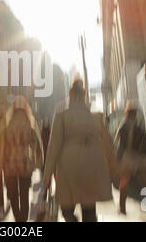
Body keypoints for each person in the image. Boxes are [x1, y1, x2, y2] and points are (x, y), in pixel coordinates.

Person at [43, 80, 121, 222]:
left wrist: (47, 175)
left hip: (69, 163)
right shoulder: (96, 116)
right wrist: (115, 171)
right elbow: (107, 146)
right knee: (89, 206)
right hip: (92, 162)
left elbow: (53, 147)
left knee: (66, 207)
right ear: (84, 96)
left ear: (70, 96)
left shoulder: (62, 115)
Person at [0, 96, 43, 222]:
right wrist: (40, 159)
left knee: (13, 195)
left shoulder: (7, 123)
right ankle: (23, 219)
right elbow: (37, 144)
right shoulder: (30, 123)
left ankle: (18, 218)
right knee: (24, 194)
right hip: (25, 164)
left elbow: (1, 145)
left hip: (10, 164)